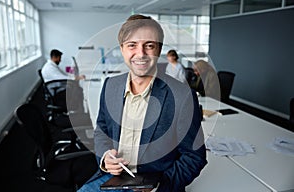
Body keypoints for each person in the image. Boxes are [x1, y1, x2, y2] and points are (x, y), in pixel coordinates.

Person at [78, 14, 207, 192]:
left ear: (159, 50)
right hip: (111, 179)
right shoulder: (110, 86)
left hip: (154, 185)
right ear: (122, 49)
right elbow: (102, 130)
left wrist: (159, 187)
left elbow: (194, 157)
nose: (141, 54)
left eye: (149, 45)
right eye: (132, 45)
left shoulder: (182, 96)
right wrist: (105, 157)